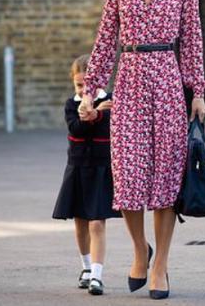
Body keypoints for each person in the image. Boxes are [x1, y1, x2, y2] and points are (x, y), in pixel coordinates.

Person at [78, 0, 205, 300]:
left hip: (167, 82)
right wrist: (90, 91)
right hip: (130, 81)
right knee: (130, 178)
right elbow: (104, 42)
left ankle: (161, 267)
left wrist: (197, 90)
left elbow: (192, 40)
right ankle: (139, 251)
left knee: (166, 182)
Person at [52, 54, 121, 296]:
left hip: (102, 169)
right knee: (80, 222)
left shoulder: (111, 101)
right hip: (78, 168)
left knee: (97, 222)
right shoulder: (72, 105)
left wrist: (98, 113)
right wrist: (93, 113)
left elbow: (110, 123)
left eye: (88, 85)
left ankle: (97, 275)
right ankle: (85, 267)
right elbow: (76, 128)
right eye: (79, 85)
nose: (83, 90)